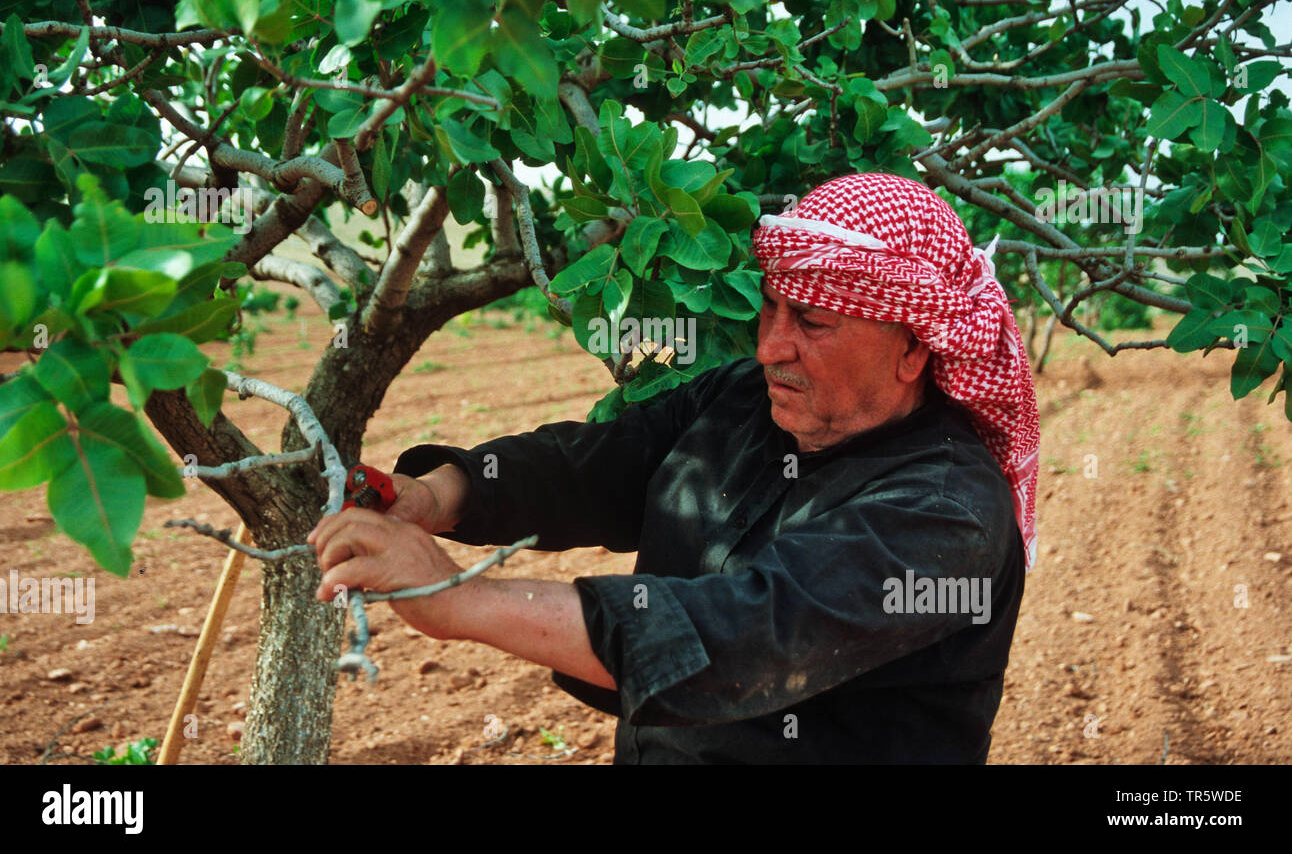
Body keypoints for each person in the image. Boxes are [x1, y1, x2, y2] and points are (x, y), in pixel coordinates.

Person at [307, 172, 1041, 763]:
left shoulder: (946, 511)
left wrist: (457, 599)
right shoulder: (744, 402)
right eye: (771, 310)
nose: (770, 348)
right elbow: (594, 464)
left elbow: (747, 633)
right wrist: (436, 495)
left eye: (813, 323)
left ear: (913, 347)